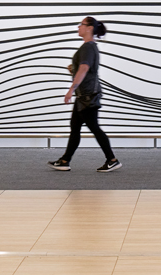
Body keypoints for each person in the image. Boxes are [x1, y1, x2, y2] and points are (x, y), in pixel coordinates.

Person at [48, 16, 120, 172]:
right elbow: (83, 69)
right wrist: (73, 70)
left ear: (89, 28)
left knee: (94, 127)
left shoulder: (88, 47)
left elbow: (84, 68)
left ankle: (112, 159)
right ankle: (65, 160)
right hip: (84, 96)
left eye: (81, 24)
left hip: (87, 96)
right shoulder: (89, 47)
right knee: (75, 127)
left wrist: (71, 89)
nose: (78, 27)